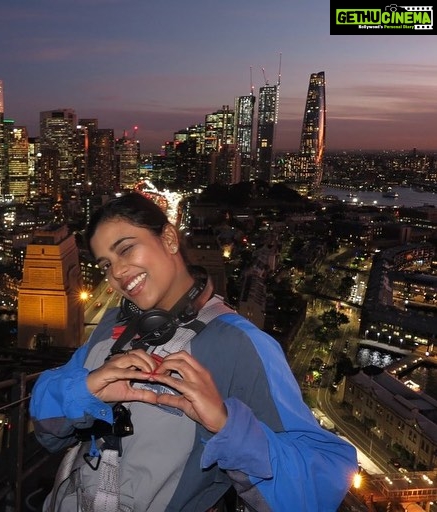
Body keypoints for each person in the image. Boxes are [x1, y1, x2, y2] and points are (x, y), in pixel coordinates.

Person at [29, 192, 357, 511]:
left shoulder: (240, 344)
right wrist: (83, 391)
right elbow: (47, 431)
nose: (116, 273)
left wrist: (228, 428)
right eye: (106, 264)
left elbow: (319, 488)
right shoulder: (110, 325)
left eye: (126, 249)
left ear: (170, 239)